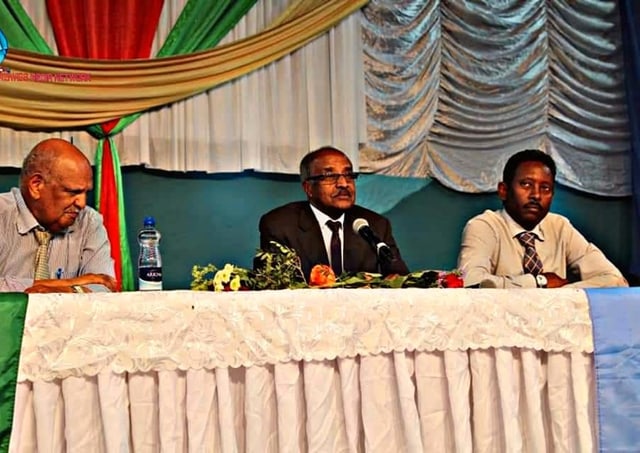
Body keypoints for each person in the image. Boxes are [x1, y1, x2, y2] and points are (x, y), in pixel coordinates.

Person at [457, 149, 627, 288]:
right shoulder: (484, 226)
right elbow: (471, 282)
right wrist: (539, 282)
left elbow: (615, 280)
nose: (536, 195)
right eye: (526, 184)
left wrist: (561, 294)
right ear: (503, 190)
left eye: (545, 188)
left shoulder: (560, 227)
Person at [258, 146, 409, 280]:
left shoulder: (376, 225)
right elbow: (272, 284)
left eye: (349, 175)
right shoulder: (280, 225)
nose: (343, 184)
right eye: (330, 176)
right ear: (308, 188)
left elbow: (400, 277)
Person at [0, 138, 117, 293]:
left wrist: (67, 290)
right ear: (36, 186)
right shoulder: (2, 214)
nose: (82, 203)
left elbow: (104, 287)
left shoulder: (89, 221)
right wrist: (70, 283)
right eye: (72, 192)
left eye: (85, 192)